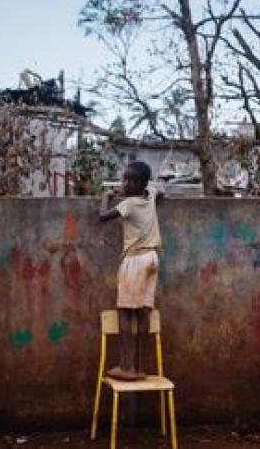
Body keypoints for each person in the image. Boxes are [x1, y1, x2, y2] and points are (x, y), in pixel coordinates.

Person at [99, 161, 164, 381]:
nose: (123, 183)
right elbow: (159, 190)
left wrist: (107, 196)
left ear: (138, 183)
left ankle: (127, 367)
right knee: (143, 311)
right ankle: (139, 367)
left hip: (135, 259)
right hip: (153, 258)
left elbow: (102, 216)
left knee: (125, 311)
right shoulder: (150, 197)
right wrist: (141, 187)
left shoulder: (128, 204)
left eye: (128, 180)